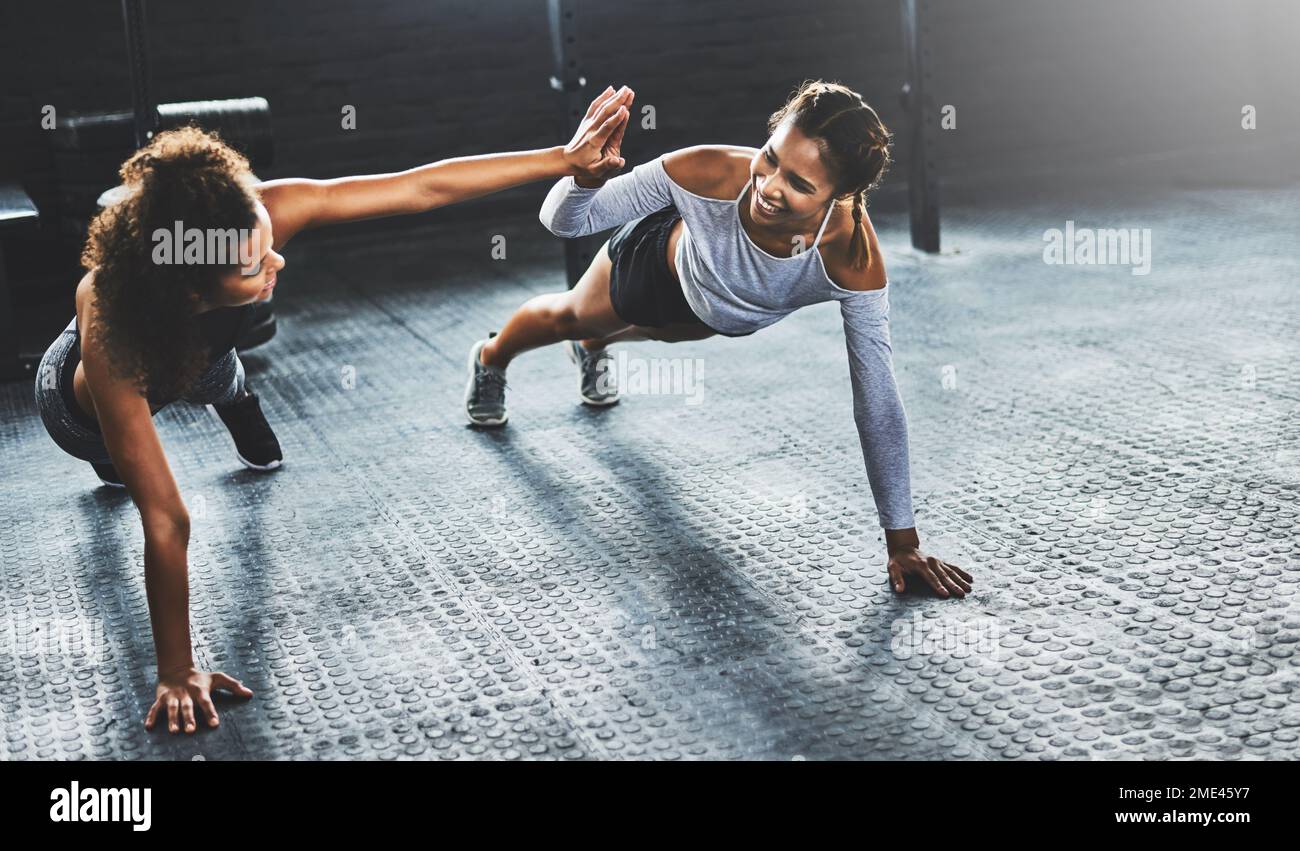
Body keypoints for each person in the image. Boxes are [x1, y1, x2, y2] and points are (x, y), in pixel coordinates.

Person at [34, 85, 635, 734]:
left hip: (200, 348)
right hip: (82, 410)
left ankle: (234, 394)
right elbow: (167, 520)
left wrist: (562, 159)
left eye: (268, 243)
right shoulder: (114, 323)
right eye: (253, 265)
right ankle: (127, 446)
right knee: (119, 459)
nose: (277, 261)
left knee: (217, 371)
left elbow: (416, 188)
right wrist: (178, 672)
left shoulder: (244, 219)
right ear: (185, 281)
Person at [465, 80, 971, 600]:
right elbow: (565, 222)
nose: (770, 186)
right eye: (771, 158)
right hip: (652, 274)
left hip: (710, 317)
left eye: (799, 183)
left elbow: (878, 399)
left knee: (660, 339)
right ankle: (492, 355)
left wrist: (902, 541)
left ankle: (596, 349)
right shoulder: (706, 170)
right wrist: (582, 175)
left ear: (840, 196)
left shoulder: (850, 260)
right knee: (572, 317)